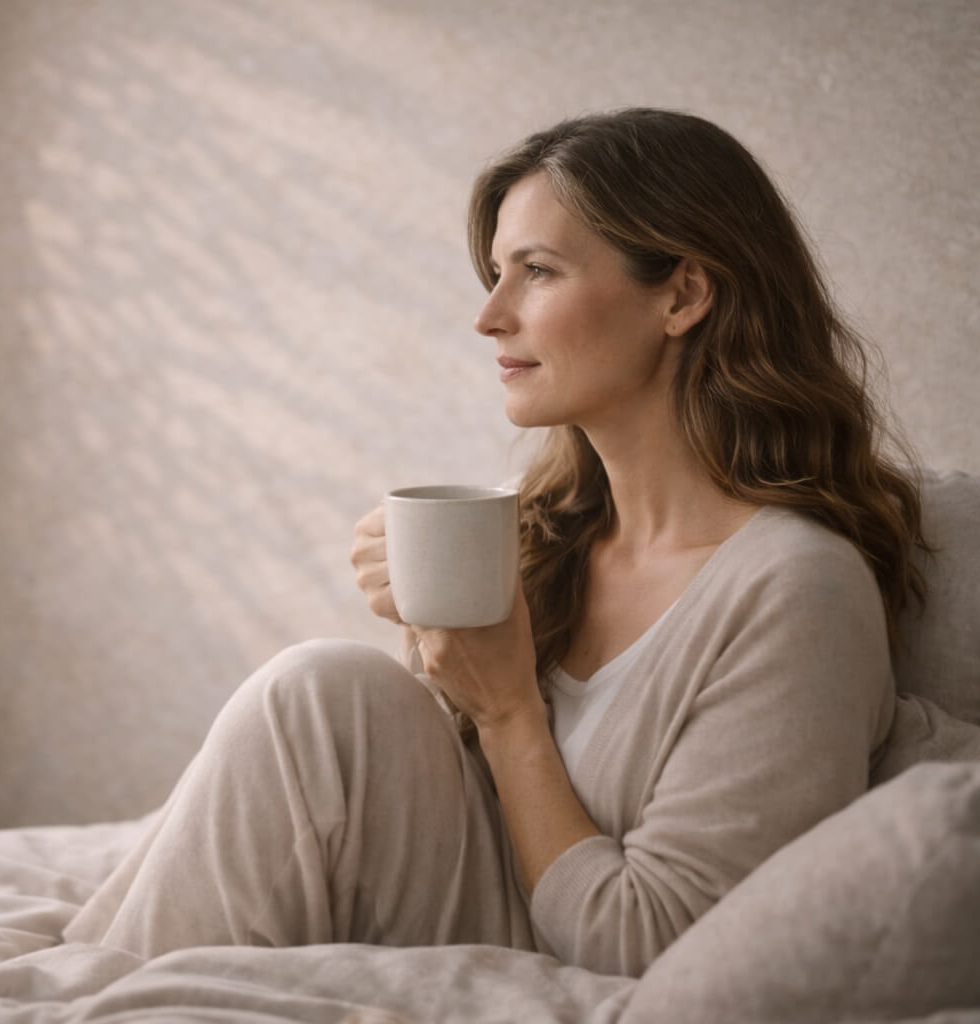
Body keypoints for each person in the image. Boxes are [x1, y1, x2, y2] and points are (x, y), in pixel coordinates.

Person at [62, 107, 927, 978]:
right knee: (324, 693)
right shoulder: (549, 535)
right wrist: (440, 641)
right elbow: (455, 810)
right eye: (494, 275)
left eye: (537, 273)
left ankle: (86, 989)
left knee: (312, 695)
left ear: (683, 294)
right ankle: (84, 982)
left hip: (575, 970)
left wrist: (510, 708)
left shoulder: (798, 590)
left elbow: (666, 952)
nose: (488, 317)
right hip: (472, 915)